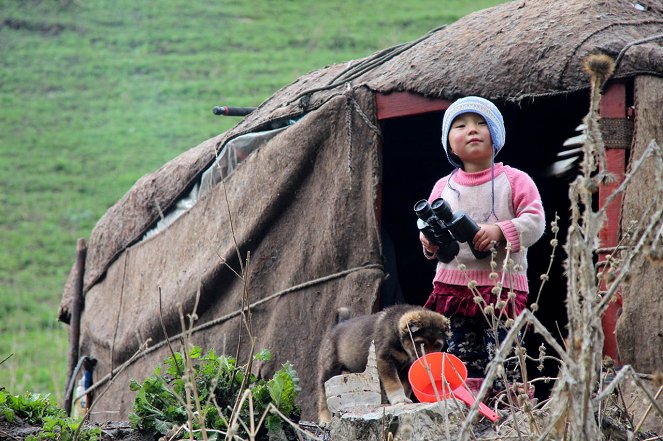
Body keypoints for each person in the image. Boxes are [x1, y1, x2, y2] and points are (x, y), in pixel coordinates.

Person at [420, 96, 545, 397]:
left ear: (496, 137)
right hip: (454, 290)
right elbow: (426, 230)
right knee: (462, 359)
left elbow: (536, 222)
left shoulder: (515, 180)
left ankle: (511, 417)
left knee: (506, 358)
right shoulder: (443, 187)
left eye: (480, 124)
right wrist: (429, 242)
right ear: (449, 145)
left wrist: (499, 231)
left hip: (502, 289)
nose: (472, 130)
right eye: (460, 125)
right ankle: (471, 415)